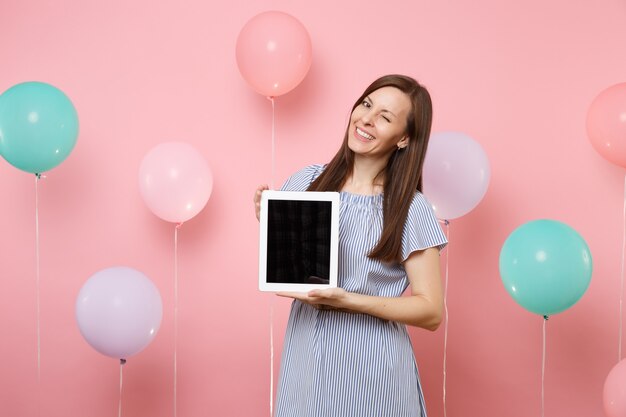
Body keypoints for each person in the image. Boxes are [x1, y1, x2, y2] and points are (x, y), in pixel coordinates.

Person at [254, 74, 448, 417]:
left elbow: (431, 312)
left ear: (403, 138)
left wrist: (347, 300)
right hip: (306, 364)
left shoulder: (409, 208)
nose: (367, 120)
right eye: (367, 104)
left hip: (373, 372)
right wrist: (272, 220)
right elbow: (295, 268)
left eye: (385, 117)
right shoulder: (305, 182)